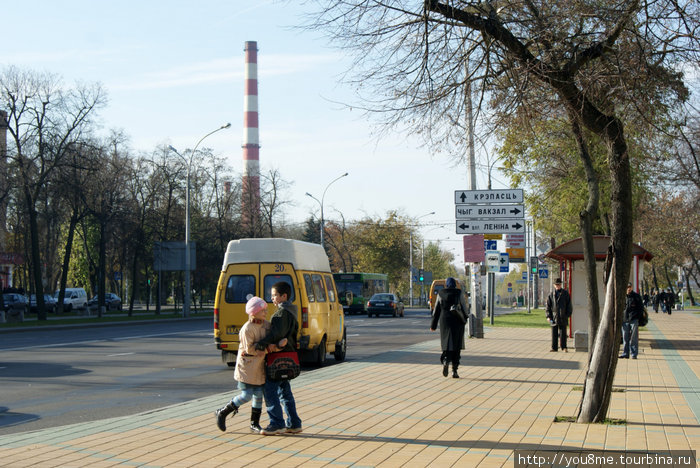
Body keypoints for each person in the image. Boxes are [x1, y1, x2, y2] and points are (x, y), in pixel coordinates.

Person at [214, 296, 287, 433]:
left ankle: (254, 424)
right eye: (263, 310)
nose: (266, 313)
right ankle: (223, 412)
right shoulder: (247, 329)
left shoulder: (265, 325)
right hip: (247, 367)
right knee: (246, 395)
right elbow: (250, 349)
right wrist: (270, 347)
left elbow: (270, 340)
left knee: (258, 395)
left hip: (258, 367)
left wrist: (278, 345)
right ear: (254, 312)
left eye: (265, 310)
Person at [255, 281, 303, 435]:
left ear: (284, 296)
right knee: (285, 392)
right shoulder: (292, 311)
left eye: (275, 295)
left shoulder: (282, 313)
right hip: (288, 356)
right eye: (272, 295)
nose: (272, 298)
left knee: (269, 390)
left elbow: (277, 334)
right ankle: (294, 423)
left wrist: (261, 343)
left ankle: (276, 423)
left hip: (277, 357)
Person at [430, 277, 469, 378]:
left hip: (445, 322)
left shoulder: (440, 293)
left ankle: (446, 360)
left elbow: (436, 311)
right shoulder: (458, 293)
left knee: (446, 344)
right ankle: (454, 371)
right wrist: (465, 318)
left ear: (447, 284)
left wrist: (433, 325)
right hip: (457, 321)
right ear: (455, 285)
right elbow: (464, 307)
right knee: (457, 345)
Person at [545, 278, 573, 352]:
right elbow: (548, 306)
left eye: (559, 284)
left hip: (563, 316)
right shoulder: (551, 295)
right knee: (554, 333)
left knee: (563, 333)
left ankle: (564, 347)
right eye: (556, 284)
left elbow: (569, 305)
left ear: (561, 285)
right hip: (554, 317)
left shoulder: (565, 293)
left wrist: (567, 315)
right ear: (554, 285)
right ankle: (554, 348)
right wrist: (548, 316)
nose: (558, 286)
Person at [620, 283, 644, 359]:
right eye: (627, 287)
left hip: (634, 320)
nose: (628, 288)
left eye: (630, 287)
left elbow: (641, 308)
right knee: (625, 337)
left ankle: (634, 354)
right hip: (625, 320)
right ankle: (625, 353)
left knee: (634, 338)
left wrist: (637, 316)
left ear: (632, 287)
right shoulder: (623, 296)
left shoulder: (636, 296)